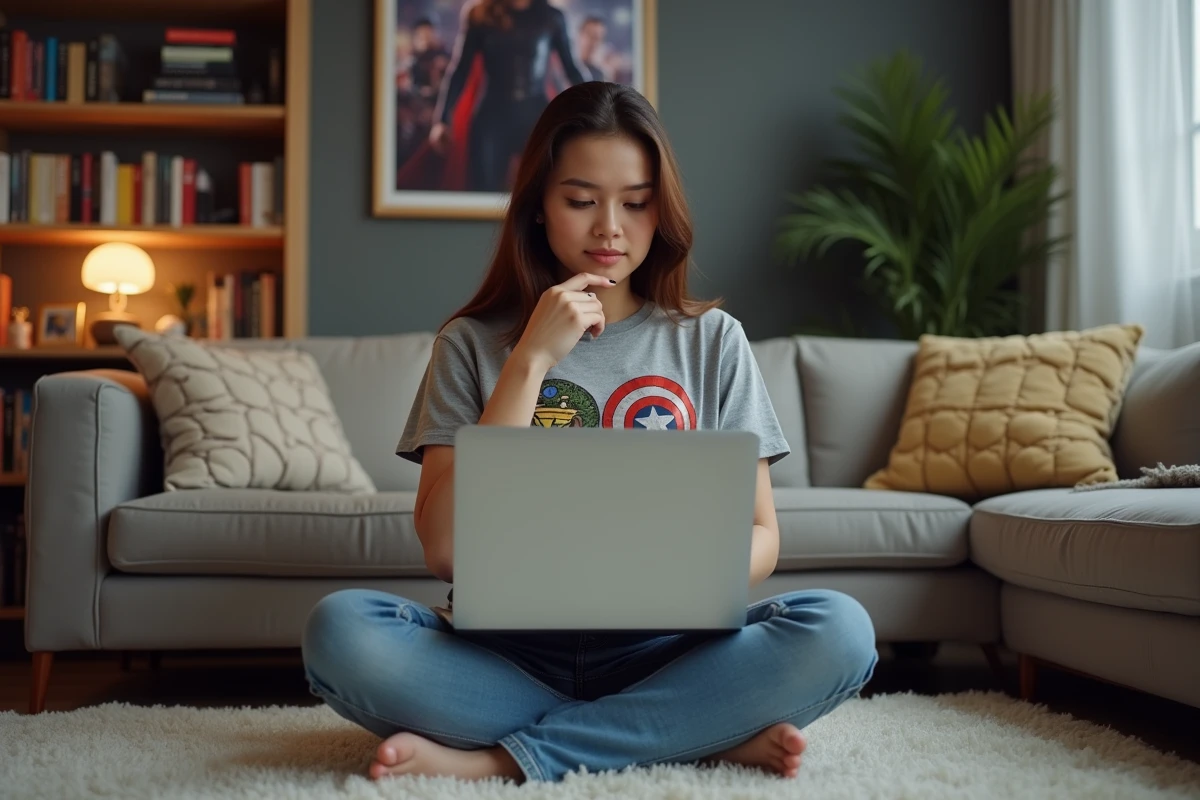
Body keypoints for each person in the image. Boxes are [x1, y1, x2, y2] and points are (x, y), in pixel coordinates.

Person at [301, 81, 878, 784]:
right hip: (503, 658)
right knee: (340, 632)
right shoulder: (471, 344)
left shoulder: (713, 341)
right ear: (539, 208)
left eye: (635, 203)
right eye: (581, 200)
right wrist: (532, 360)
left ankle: (505, 761)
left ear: (660, 211)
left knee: (841, 630)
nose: (610, 227)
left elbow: (762, 537)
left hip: (672, 651)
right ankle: (687, 730)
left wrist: (663, 574)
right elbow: (448, 547)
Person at [427, 0, 591, 192]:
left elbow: (571, 69)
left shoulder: (552, 17)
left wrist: (596, 114)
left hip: (536, 116)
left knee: (544, 194)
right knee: (483, 194)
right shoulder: (480, 15)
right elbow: (460, 70)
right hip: (492, 117)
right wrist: (442, 120)